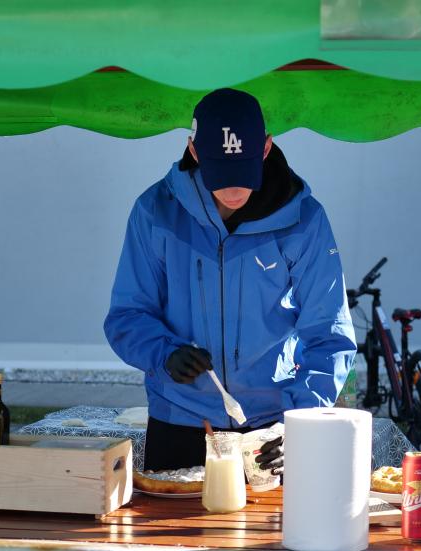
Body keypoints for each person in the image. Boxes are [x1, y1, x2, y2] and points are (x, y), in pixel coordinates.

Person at [104, 88, 356, 473]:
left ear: (266, 148)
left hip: (271, 430)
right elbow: (127, 315)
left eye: (243, 172)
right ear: (194, 151)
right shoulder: (155, 213)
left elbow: (330, 333)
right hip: (180, 421)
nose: (234, 189)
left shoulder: (304, 219)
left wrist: (302, 423)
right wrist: (164, 353)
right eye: (221, 174)